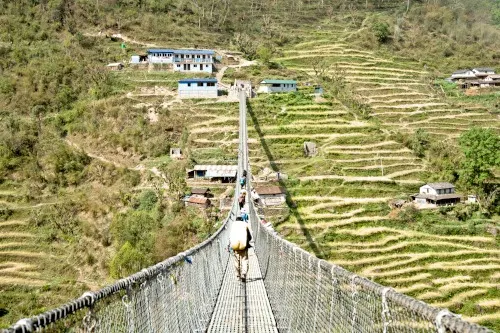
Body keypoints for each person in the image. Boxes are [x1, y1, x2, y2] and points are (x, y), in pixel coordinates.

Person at [229, 216, 252, 282]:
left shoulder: (233, 225)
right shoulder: (245, 225)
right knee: (244, 260)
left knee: (237, 261)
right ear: (242, 220)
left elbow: (231, 236)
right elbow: (250, 237)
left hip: (235, 246)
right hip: (243, 246)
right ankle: (244, 273)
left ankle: (238, 276)